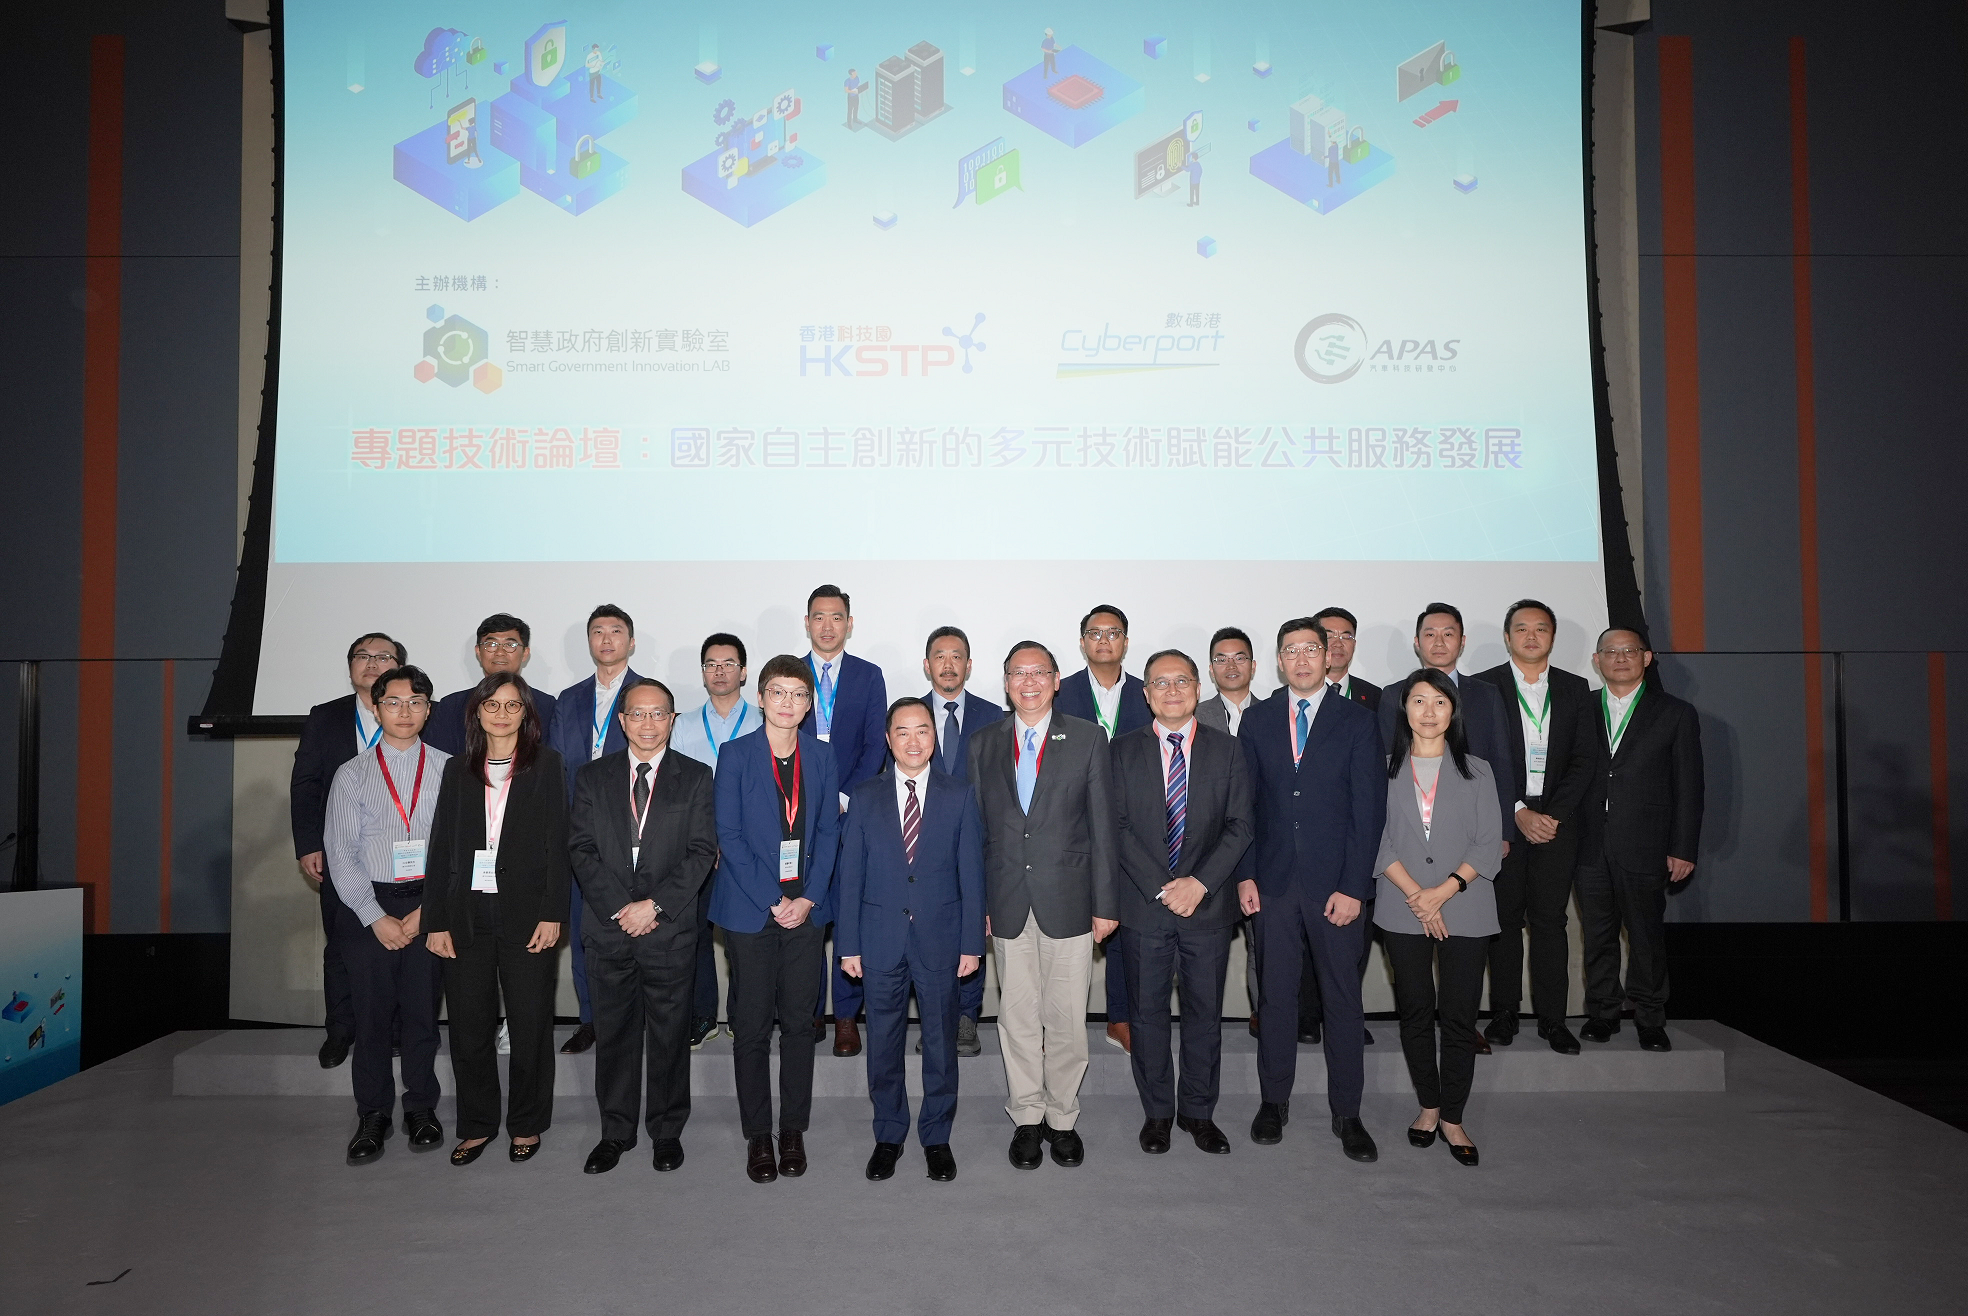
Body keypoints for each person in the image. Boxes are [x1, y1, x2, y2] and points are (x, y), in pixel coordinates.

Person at [968, 641, 1119, 1171]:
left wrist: (1106, 903)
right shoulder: (983, 743)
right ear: (1005, 682)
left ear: (1057, 680)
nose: (1029, 682)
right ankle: (1027, 1117)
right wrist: (977, 903)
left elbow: (1103, 827)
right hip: (1006, 900)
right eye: (1017, 673)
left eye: (1039, 673)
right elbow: (975, 833)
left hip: (1071, 900)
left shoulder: (1087, 737)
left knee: (1066, 1018)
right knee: (1017, 1016)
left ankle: (1063, 1118)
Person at [1240, 619, 1384, 1163]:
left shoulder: (1357, 720)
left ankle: (1348, 1113)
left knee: (1343, 1001)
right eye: (1290, 651)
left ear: (1330, 656)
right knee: (1276, 998)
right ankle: (1272, 1102)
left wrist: (1354, 887)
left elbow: (1367, 812)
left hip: (1336, 889)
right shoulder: (1256, 721)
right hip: (1272, 884)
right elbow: (1246, 806)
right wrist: (1247, 874)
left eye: (1311, 649)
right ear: (1278, 661)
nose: (1300, 659)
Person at [568, 678, 718, 1175]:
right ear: (622, 720)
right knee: (614, 1035)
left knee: (671, 1036)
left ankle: (666, 1131)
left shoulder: (696, 778)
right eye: (638, 713)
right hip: (609, 930)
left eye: (659, 714)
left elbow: (701, 853)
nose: (648, 722)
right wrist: (620, 907)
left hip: (668, 930)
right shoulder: (592, 777)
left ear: (673, 721)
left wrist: (654, 906)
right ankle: (615, 1132)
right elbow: (581, 850)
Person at [422, 673, 570, 1166]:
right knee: (468, 1027)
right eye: (493, 704)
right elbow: (441, 846)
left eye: (513, 705)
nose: (502, 714)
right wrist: (436, 920)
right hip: (465, 917)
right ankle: (478, 1123)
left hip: (527, 916)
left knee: (529, 1025)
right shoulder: (457, 769)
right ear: (477, 711)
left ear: (527, 714)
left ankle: (526, 1122)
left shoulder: (547, 766)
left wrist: (553, 913)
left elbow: (557, 845)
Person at [837, 699, 985, 1183]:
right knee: (883, 1042)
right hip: (879, 939)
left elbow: (971, 873)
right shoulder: (864, 795)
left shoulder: (959, 793)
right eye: (903, 732)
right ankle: (889, 1134)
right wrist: (849, 944)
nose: (914, 740)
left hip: (942, 938)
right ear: (888, 739)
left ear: (933, 737)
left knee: (941, 1042)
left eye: (923, 730)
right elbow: (851, 875)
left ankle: (937, 1136)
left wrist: (970, 944)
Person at [1113, 649, 1253, 1156]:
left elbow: (1241, 826)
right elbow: (1118, 828)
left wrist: (1200, 883)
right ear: (1146, 694)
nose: (1172, 691)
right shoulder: (1120, 750)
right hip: (1145, 907)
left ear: (1198, 689)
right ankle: (1157, 1113)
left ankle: (1198, 1112)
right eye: (1160, 683)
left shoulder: (1229, 750)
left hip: (1208, 907)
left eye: (1182, 682)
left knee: (1204, 1014)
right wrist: (1164, 885)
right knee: (1147, 1014)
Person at [711, 656, 842, 1184]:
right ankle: (757, 1136)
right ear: (760, 698)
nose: (788, 703)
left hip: (806, 912)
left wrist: (807, 899)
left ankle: (792, 1129)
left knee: (798, 1024)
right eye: (778, 693)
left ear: (810, 704)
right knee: (750, 1028)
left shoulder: (822, 756)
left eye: (798, 695)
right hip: (750, 910)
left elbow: (830, 832)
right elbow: (730, 835)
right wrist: (773, 898)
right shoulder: (736, 754)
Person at [1375, 669, 1502, 1168]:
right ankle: (1428, 1106)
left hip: (1466, 905)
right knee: (1414, 1012)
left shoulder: (1479, 771)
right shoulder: (1381, 769)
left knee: (1458, 1015)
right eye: (1418, 701)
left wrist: (1443, 893)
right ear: (1403, 709)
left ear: (1454, 711)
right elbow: (1376, 841)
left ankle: (1453, 1116)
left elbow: (1489, 845)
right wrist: (1417, 896)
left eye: (1439, 702)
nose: (1429, 712)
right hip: (1402, 906)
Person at [323, 664, 447, 1165]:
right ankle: (373, 1114)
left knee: (421, 1016)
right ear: (375, 708)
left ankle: (421, 1108)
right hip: (366, 906)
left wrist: (425, 912)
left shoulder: (448, 768)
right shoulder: (351, 774)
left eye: (416, 702)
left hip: (429, 904)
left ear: (428, 710)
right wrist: (375, 916)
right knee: (371, 1019)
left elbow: (454, 850)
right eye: (393, 702)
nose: (405, 711)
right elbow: (340, 853)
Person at [1472, 600, 1598, 1053]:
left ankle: (1552, 1019)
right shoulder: (1483, 686)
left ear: (1552, 637)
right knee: (1503, 921)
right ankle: (1504, 1014)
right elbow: (1478, 758)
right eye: (1521, 628)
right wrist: (1518, 811)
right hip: (1504, 817)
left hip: (1557, 822)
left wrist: (1554, 815)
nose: (1530, 636)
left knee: (1550, 921)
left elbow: (1585, 759)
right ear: (1507, 637)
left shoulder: (1576, 688)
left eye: (1540, 629)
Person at [1576, 629, 1704, 1052]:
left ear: (1647, 658)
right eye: (1610, 652)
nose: (1620, 658)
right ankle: (1602, 1013)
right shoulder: (1581, 709)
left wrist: (1683, 846)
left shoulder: (1675, 712)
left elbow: (1690, 786)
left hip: (1647, 843)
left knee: (1646, 934)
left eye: (1630, 651)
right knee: (1597, 934)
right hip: (1589, 843)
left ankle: (1650, 1017)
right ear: (1597, 661)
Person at [292, 631, 406, 1069]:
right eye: (363, 656)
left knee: (400, 942)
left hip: (403, 856)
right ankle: (341, 1030)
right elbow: (305, 783)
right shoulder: (326, 717)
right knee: (342, 942)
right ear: (351, 667)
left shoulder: (411, 713)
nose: (373, 662)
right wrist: (307, 845)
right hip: (341, 851)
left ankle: (395, 1031)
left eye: (383, 656)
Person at [548, 604, 644, 1056]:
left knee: (636, 928)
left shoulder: (647, 697)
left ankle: (636, 1019)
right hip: (577, 836)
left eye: (616, 631)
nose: (606, 639)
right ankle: (591, 1020)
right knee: (586, 930)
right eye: (597, 632)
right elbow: (552, 768)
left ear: (630, 640)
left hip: (634, 836)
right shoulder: (567, 700)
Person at [799, 585, 887, 1058]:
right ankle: (809, 1009)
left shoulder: (869, 676)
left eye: (837, 618)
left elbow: (877, 745)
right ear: (807, 623)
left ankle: (847, 1016)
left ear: (849, 624)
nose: (828, 626)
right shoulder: (789, 675)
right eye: (819, 617)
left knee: (848, 909)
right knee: (806, 912)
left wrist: (842, 795)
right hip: (798, 814)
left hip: (853, 814)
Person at [1056, 604, 1148, 1053]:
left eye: (1114, 633)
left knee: (1124, 921)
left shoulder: (1149, 693)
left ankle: (1121, 1016)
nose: (1104, 640)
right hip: (1071, 824)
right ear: (1082, 643)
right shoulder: (1060, 692)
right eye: (1095, 633)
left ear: (1126, 643)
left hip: (1134, 825)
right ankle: (1057, 1026)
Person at [670, 632, 763, 1048]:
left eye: (728, 663)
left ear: (744, 672)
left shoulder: (766, 721)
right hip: (698, 849)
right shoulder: (683, 724)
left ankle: (746, 1015)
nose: (720, 670)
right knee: (696, 936)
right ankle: (703, 1015)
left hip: (750, 849)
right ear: (703, 673)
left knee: (745, 938)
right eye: (711, 664)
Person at [921, 624, 1003, 1056]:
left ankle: (968, 1016)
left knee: (974, 922)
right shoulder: (909, 715)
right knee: (928, 928)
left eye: (957, 656)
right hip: (920, 844)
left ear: (969, 666)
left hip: (979, 840)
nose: (948, 664)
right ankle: (936, 1017)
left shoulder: (994, 716)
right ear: (926, 665)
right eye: (939, 655)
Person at [1196, 627, 1268, 1038]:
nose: (1231, 665)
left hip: (1263, 843)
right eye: (1222, 658)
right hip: (1208, 850)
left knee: (1265, 940)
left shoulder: (1278, 712)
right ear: (1210, 668)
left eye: (1240, 657)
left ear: (1255, 666)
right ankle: (1204, 1022)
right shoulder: (1192, 712)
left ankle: (1264, 1013)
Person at [426, 613, 559, 756]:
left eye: (510, 645)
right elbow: (438, 763)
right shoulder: (451, 706)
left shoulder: (547, 706)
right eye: (491, 644)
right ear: (478, 651)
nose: (500, 652)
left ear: (525, 653)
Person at [1313, 607, 1381, 711]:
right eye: (1329, 636)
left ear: (1354, 644)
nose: (1338, 644)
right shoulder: (1295, 693)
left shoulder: (1374, 695)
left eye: (1345, 637)